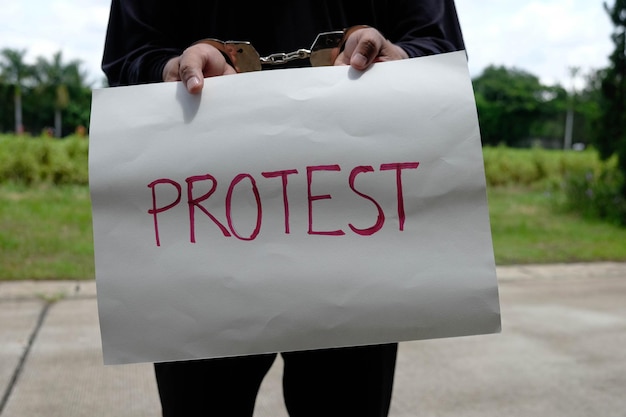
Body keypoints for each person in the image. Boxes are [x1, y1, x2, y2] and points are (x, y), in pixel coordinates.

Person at [102, 1, 465, 416]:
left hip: (348, 246)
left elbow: (439, 47)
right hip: (207, 237)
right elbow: (129, 56)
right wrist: (170, 69)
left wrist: (396, 58)